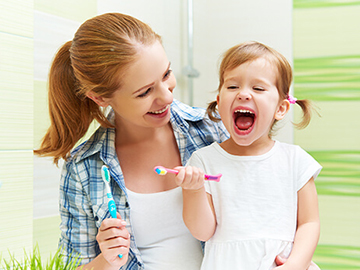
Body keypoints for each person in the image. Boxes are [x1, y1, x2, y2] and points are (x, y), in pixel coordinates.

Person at [34, 12, 229, 270]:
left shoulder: (211, 130)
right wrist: (106, 261)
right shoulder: (83, 168)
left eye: (166, 74)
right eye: (145, 92)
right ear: (99, 98)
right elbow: (73, 265)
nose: (167, 97)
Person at [174, 41, 322, 270]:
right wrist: (192, 190)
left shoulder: (295, 161)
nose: (243, 94)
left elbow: (309, 223)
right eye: (232, 87)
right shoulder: (204, 161)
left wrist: (296, 264)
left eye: (258, 88)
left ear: (280, 108)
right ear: (220, 102)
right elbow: (203, 232)